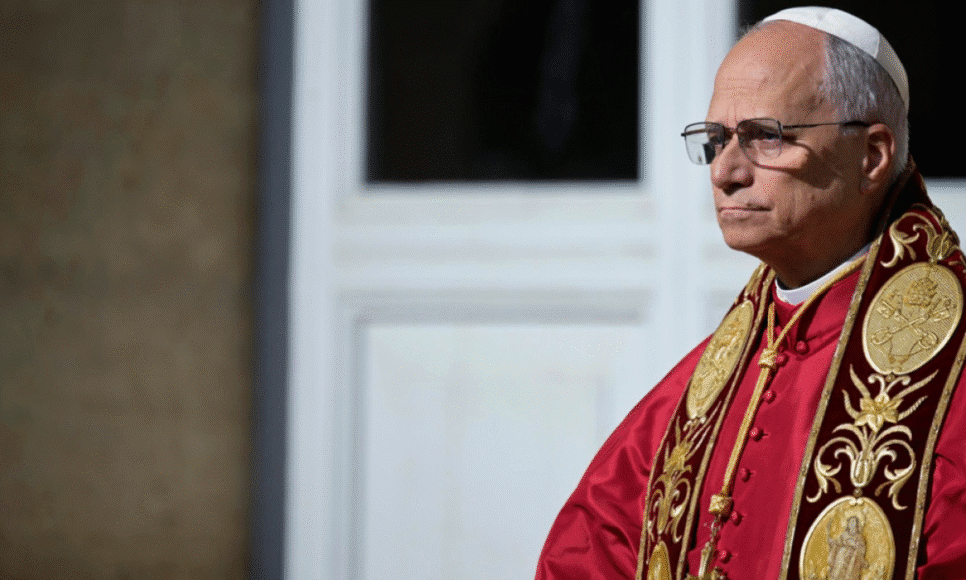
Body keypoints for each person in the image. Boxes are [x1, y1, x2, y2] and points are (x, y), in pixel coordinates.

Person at [536, 6, 966, 580]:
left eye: (765, 136)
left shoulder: (953, 373)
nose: (725, 171)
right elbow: (590, 551)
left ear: (872, 155)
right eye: (715, 140)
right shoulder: (701, 386)